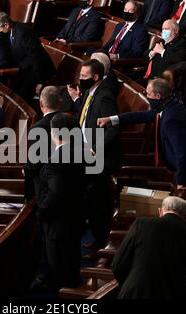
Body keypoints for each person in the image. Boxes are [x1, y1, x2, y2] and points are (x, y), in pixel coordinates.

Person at [98, 78, 186, 252]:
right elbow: (146, 115)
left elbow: (182, 153)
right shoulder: (169, 107)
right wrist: (112, 119)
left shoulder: (172, 118)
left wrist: (181, 182)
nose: (146, 96)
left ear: (157, 96)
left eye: (148, 94)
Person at [67, 59, 121, 251]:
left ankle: (100, 240)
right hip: (85, 152)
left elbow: (113, 127)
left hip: (99, 157)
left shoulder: (104, 95)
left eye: (84, 76)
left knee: (98, 200)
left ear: (95, 77)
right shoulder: (91, 93)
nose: (80, 79)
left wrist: (96, 147)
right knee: (90, 197)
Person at [112, 196, 186, 299]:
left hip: (135, 293)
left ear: (160, 211)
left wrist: (130, 284)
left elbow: (117, 265)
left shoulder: (141, 224)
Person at [36, 113, 88, 294]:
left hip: (58, 223)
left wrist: (41, 212)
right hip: (77, 217)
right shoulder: (82, 154)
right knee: (72, 261)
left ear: (54, 133)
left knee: (60, 270)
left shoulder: (56, 161)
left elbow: (56, 193)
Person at [0, 12, 55, 103]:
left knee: (21, 97)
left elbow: (36, 57)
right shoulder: (10, 31)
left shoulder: (24, 33)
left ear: (6, 25)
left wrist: (40, 82)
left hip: (39, 70)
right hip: (25, 68)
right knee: (11, 92)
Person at [24, 86, 61, 200]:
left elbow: (34, 163)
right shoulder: (73, 123)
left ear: (41, 104)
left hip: (45, 187)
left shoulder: (37, 128)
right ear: (60, 102)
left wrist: (26, 169)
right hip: (70, 185)